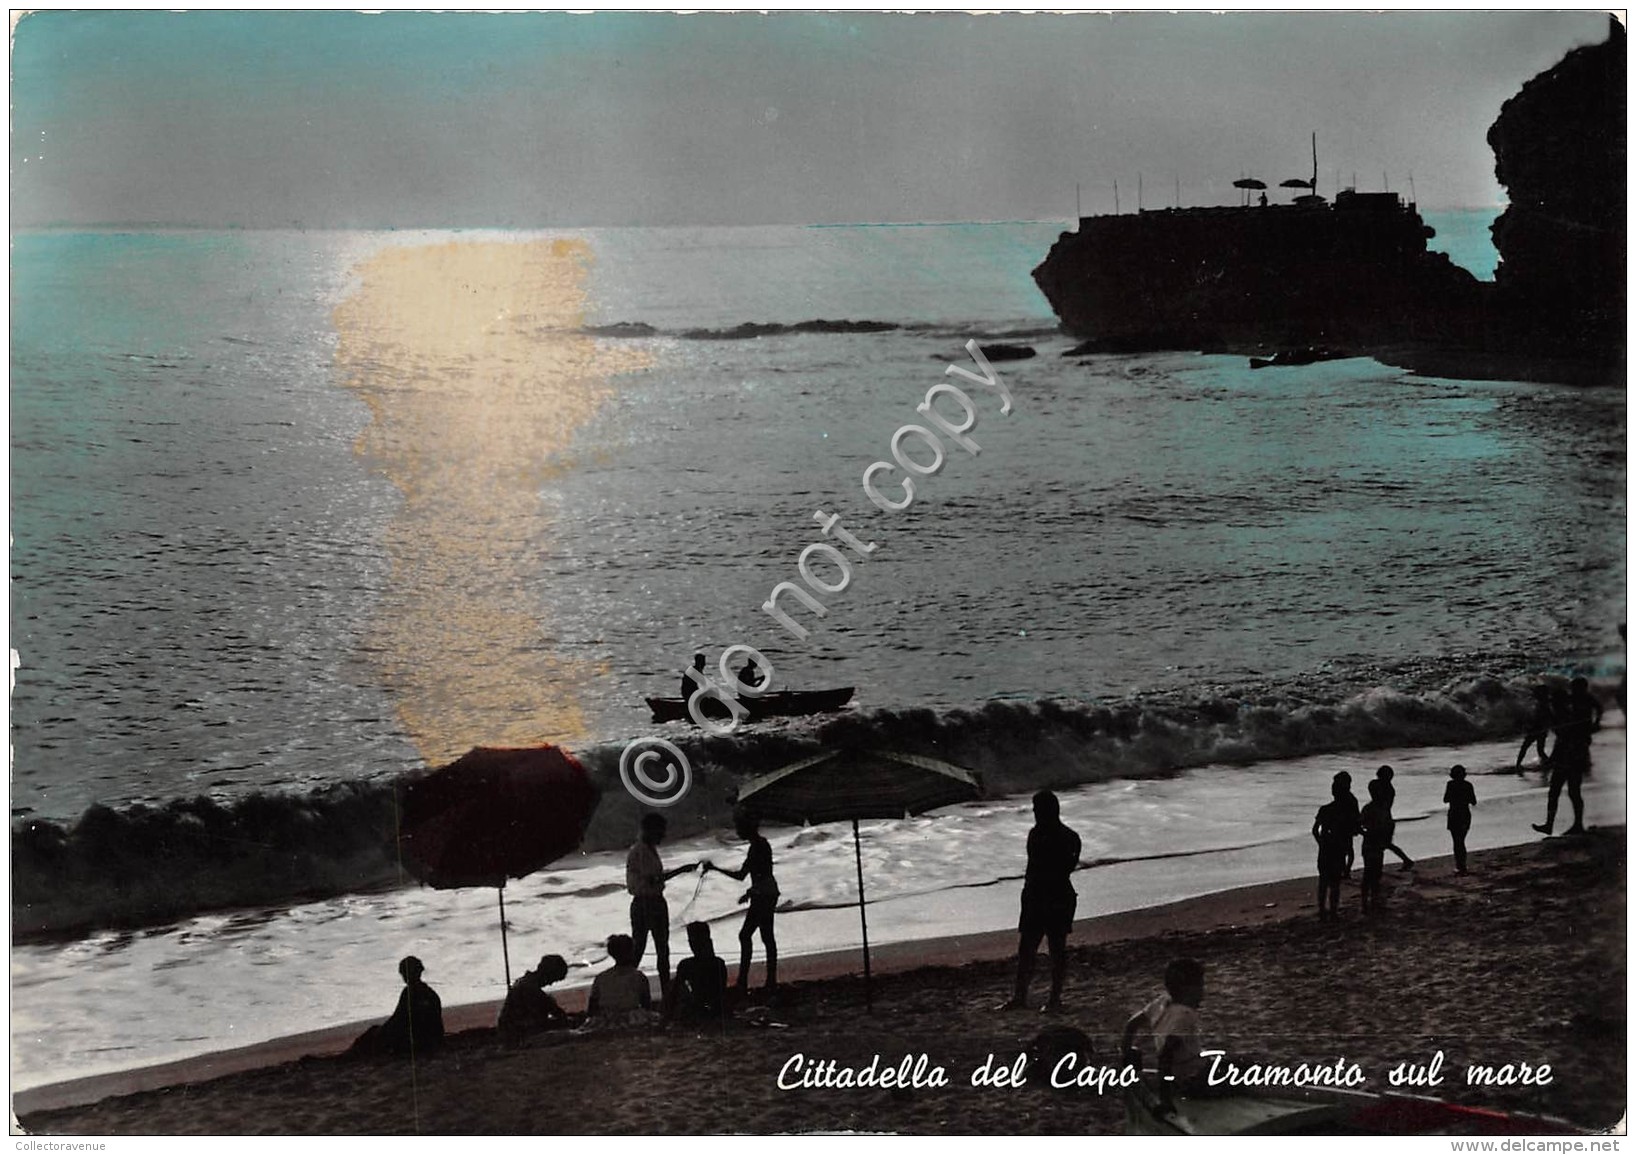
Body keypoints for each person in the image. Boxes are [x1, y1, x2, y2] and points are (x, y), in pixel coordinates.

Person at [1000, 790, 1082, 1012]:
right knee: (1046, 949)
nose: (1035, 813)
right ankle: (1046, 998)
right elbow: (1065, 868)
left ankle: (1031, 997)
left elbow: (1036, 869)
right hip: (1055, 894)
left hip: (1044, 895)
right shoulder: (1070, 837)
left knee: (1037, 948)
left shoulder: (1037, 835)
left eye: (1037, 809)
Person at [704, 809, 780, 994]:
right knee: (765, 936)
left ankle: (747, 981)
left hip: (763, 894)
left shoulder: (757, 847)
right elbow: (762, 874)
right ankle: (766, 980)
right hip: (766, 892)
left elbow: (741, 875)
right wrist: (750, 892)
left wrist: (714, 868)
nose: (737, 831)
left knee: (749, 935)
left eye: (739, 827)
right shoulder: (761, 844)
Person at [1120, 957, 1207, 1112]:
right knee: (1242, 1072)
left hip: (1178, 1073)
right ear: (1188, 989)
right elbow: (1165, 1054)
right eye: (1200, 986)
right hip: (1190, 1079)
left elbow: (1131, 1025)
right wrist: (1165, 1100)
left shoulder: (1161, 1002)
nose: (1203, 992)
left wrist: (1127, 1052)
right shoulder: (1184, 1016)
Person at [627, 813, 695, 993]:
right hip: (647, 902)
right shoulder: (641, 851)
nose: (663, 835)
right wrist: (681, 870)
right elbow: (653, 879)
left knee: (655, 948)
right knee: (650, 948)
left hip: (649, 902)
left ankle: (660, 989)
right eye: (660, 831)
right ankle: (658, 989)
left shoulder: (646, 849)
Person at [1534, 678, 1598, 836]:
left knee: (1565, 791)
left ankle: (1568, 824)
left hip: (1569, 759)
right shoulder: (1567, 715)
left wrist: (1552, 759)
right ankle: (1563, 824)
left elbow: (1563, 739)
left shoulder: (1565, 717)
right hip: (1572, 757)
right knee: (1568, 791)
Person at [348, 955, 444, 1058]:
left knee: (373, 1034)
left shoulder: (409, 993)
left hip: (417, 1041)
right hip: (432, 1038)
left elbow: (398, 1019)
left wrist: (380, 1032)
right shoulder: (431, 993)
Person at [496, 954, 570, 1048]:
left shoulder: (525, 983)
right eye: (553, 979)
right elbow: (539, 1022)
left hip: (511, 1034)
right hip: (519, 1037)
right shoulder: (531, 990)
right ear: (548, 974)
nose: (551, 984)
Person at [664, 921, 730, 1024]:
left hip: (696, 1009)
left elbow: (675, 993)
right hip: (715, 1009)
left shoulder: (686, 965)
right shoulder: (718, 963)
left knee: (673, 985)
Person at [585, 934, 655, 1027]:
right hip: (633, 1019)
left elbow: (592, 1008)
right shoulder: (639, 977)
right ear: (632, 951)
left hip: (605, 1020)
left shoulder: (601, 978)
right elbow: (646, 1005)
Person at [1313, 777, 1356, 920]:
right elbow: (1350, 831)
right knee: (1335, 883)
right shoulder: (1345, 812)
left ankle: (1321, 910)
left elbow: (1314, 830)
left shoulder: (1324, 809)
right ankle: (1333, 911)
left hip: (1325, 848)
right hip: (1339, 847)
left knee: (1323, 882)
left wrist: (1321, 842)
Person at [1358, 780, 1391, 914]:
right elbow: (1360, 824)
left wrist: (1366, 833)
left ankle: (1371, 901)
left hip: (1373, 842)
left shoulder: (1372, 808)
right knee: (1370, 873)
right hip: (1373, 842)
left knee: (1375, 873)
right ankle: (1368, 902)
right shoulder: (1377, 808)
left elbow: (1360, 824)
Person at [1373, 765, 1414, 871]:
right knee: (1385, 844)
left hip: (1384, 818)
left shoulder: (1387, 789)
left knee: (1382, 844)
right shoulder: (1388, 788)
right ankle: (1406, 860)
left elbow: (1379, 800)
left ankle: (1405, 860)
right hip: (1385, 818)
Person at [1444, 765, 1477, 874]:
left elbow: (1445, 799)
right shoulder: (1468, 785)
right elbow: (1473, 801)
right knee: (1461, 840)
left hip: (1454, 814)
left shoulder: (1450, 785)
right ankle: (1462, 865)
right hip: (1464, 813)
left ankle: (1460, 865)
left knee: (1457, 841)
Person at [1516, 686, 1555, 770]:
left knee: (1526, 746)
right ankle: (1547, 762)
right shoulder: (1542, 704)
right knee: (1538, 749)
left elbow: (1548, 717)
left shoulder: (1544, 705)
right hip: (1539, 729)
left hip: (1538, 729)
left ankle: (1518, 764)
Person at [1331, 771, 1360, 877]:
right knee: (1343, 850)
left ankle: (1346, 870)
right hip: (1340, 826)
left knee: (1346, 850)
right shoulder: (1348, 798)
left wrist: (1356, 826)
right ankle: (1345, 870)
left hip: (1345, 826)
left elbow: (1355, 814)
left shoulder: (1349, 799)